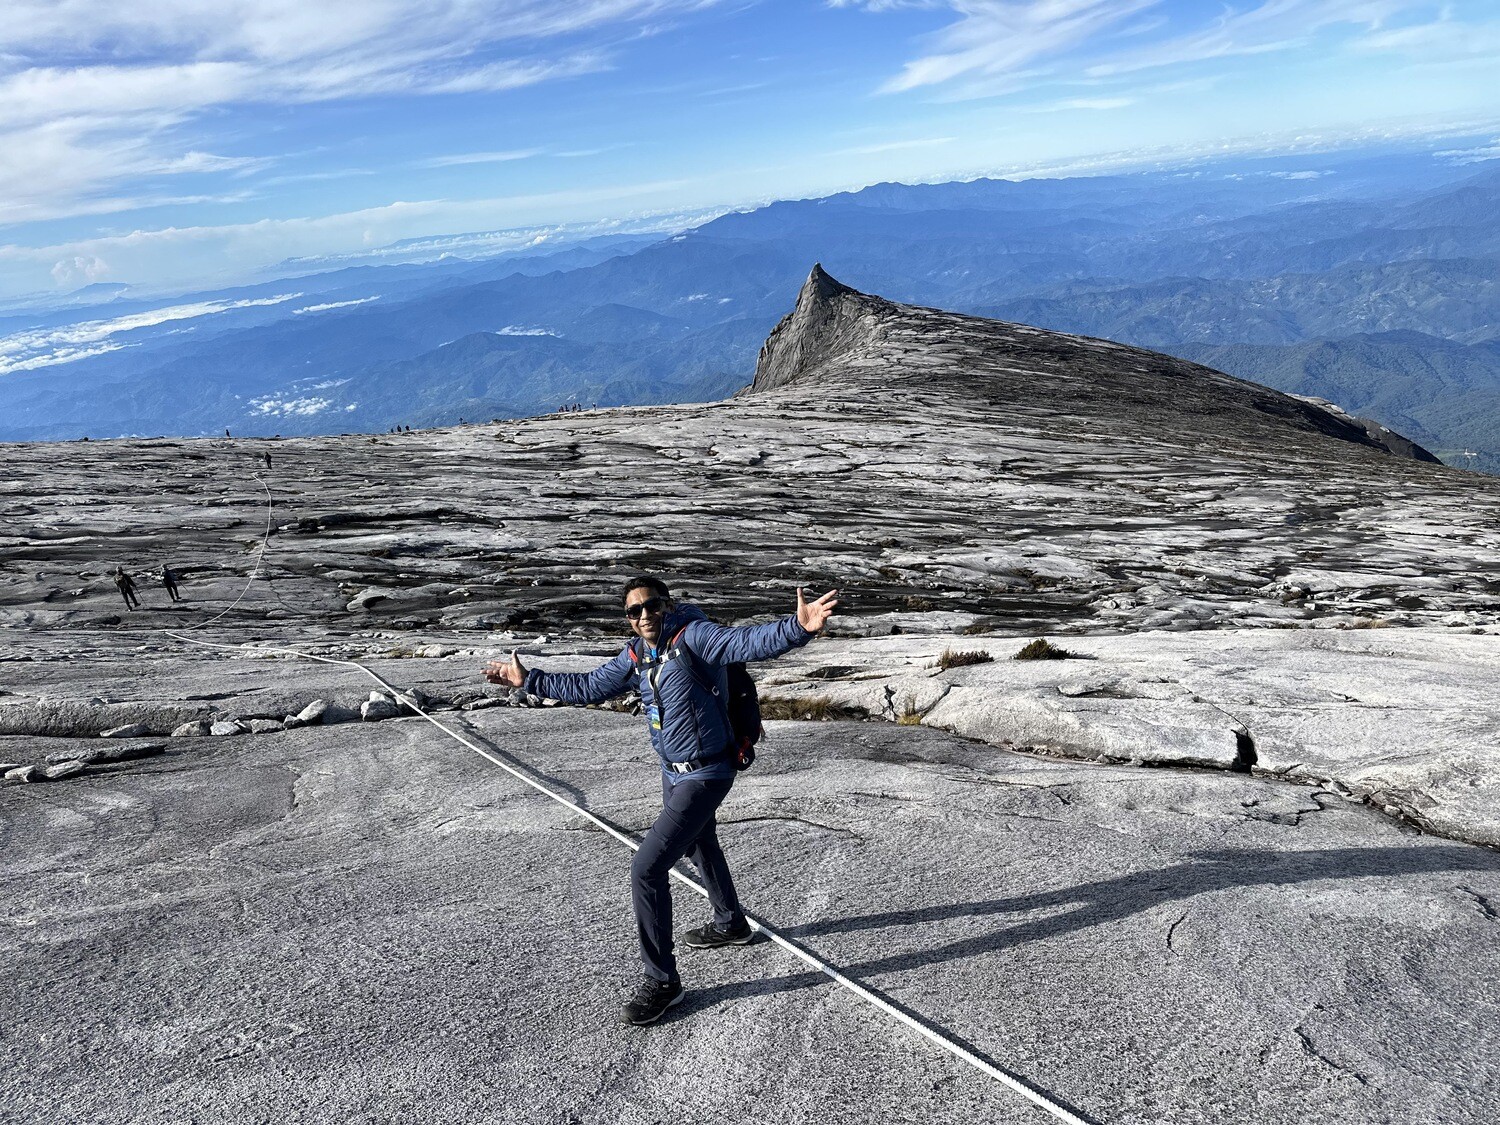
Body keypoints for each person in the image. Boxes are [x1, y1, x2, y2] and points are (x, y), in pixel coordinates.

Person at [483, 576, 838, 1026]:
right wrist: (528, 678)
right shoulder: (637, 654)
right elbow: (590, 686)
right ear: (628, 619)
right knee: (699, 840)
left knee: (647, 868)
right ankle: (731, 923)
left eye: (652, 606)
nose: (644, 615)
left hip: (708, 771)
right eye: (634, 611)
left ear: (668, 605)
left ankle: (663, 981)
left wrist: (798, 628)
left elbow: (745, 641)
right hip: (673, 772)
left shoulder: (695, 636)